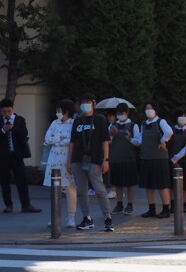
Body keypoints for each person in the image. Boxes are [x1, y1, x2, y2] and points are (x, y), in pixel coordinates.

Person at [66, 93, 113, 232]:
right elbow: (72, 142)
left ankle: (107, 217)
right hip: (78, 159)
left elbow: (105, 140)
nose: (84, 104)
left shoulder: (100, 119)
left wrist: (106, 160)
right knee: (81, 190)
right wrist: (69, 161)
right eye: (82, 102)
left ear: (93, 103)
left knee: (99, 189)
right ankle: (87, 217)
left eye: (87, 102)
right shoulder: (77, 121)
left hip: (95, 158)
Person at [0, 98, 41, 214]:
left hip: (17, 155)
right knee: (4, 181)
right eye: (5, 112)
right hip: (3, 156)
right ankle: (8, 205)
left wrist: (13, 128)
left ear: (12, 109)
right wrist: (3, 130)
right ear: (1, 111)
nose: (7, 114)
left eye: (9, 111)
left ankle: (26, 204)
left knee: (21, 180)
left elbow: (24, 133)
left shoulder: (19, 120)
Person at [131, 100, 173, 218]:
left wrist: (162, 141)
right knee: (149, 185)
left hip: (159, 158)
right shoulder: (143, 124)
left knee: (162, 184)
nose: (148, 110)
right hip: (146, 157)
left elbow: (169, 132)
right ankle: (151, 209)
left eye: (151, 108)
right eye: (146, 108)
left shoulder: (161, 121)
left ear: (155, 110)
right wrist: (130, 140)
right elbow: (140, 139)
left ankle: (166, 209)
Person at [42, 99, 77, 228]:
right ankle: (55, 216)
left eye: (59, 110)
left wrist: (59, 141)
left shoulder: (73, 123)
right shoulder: (54, 123)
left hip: (67, 156)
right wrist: (58, 139)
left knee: (69, 187)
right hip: (54, 157)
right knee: (55, 188)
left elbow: (71, 140)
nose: (58, 113)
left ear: (67, 111)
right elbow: (47, 139)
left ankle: (71, 216)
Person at [108, 102, 139, 216]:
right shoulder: (112, 126)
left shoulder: (133, 125)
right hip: (116, 158)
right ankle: (119, 204)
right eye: (118, 113)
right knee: (117, 183)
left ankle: (130, 204)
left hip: (129, 158)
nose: (120, 115)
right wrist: (112, 135)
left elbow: (138, 142)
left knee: (130, 183)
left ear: (127, 113)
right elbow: (107, 141)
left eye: (122, 112)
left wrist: (130, 138)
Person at [168, 109, 186, 214]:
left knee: (185, 185)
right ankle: (173, 205)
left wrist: (176, 158)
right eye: (180, 116)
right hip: (172, 160)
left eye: (184, 116)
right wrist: (172, 158)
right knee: (172, 184)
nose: (182, 118)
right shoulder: (171, 129)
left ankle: (183, 204)